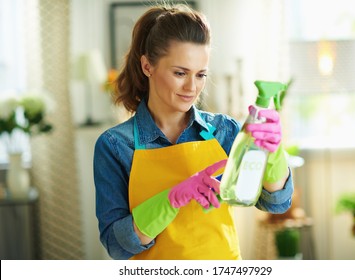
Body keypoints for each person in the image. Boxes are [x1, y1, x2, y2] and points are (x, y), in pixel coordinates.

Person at [93, 3, 293, 260]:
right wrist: (170, 200)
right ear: (147, 66)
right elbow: (116, 245)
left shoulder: (224, 130)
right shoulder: (115, 145)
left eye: (201, 75)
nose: (191, 87)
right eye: (180, 73)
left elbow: (275, 202)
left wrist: (273, 151)